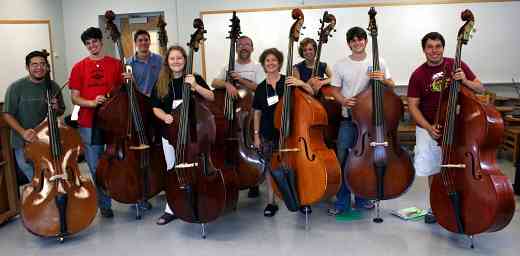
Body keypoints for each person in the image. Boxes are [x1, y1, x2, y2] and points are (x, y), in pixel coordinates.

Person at [407, 32, 484, 224]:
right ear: (424, 50)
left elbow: (480, 88)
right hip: (429, 128)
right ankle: (436, 207)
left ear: (443, 47)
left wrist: (464, 80)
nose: (434, 50)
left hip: (457, 127)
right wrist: (428, 127)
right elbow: (413, 106)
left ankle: (464, 203)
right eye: (430, 47)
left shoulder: (456, 65)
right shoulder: (418, 74)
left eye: (438, 46)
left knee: (460, 165)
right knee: (433, 169)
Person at [327, 27, 395, 216]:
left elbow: (391, 85)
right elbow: (334, 90)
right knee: (343, 161)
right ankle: (342, 202)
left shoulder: (378, 61)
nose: (357, 43)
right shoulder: (340, 64)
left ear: (366, 41)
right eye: (353, 41)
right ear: (349, 43)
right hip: (348, 119)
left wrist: (383, 78)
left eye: (361, 40)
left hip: (370, 121)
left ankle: (363, 198)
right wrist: (343, 101)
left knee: (365, 160)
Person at [151, 45, 215, 225]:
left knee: (196, 166)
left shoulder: (194, 78)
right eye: (172, 58)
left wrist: (195, 86)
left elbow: (211, 97)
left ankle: (202, 200)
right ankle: (171, 208)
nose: (176, 61)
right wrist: (165, 116)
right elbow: (155, 106)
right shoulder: (162, 81)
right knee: (172, 168)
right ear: (167, 62)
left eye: (179, 58)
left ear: (185, 60)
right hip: (170, 134)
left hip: (193, 134)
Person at [252, 48, 313, 217]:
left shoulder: (288, 82)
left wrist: (301, 83)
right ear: (264, 65)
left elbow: (311, 92)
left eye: (274, 60)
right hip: (268, 132)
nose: (271, 63)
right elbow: (256, 112)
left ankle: (302, 200)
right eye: (267, 61)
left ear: (279, 63)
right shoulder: (260, 88)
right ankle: (271, 202)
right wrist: (256, 135)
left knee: (297, 166)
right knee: (271, 168)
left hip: (290, 132)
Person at [68, 27, 123, 218]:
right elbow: (74, 98)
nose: (92, 46)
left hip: (114, 120)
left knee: (121, 159)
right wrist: (91, 102)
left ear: (101, 42)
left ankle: (130, 196)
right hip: (88, 122)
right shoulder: (78, 67)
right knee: (95, 165)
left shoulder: (116, 64)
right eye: (88, 43)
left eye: (95, 41)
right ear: (86, 46)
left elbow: (122, 91)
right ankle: (105, 204)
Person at [211, 35, 265, 198]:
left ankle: (254, 179)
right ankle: (231, 176)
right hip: (231, 115)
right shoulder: (228, 66)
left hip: (252, 115)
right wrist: (227, 84)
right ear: (236, 48)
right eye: (240, 44)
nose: (243, 47)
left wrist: (240, 80)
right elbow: (214, 83)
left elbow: (260, 88)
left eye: (247, 44)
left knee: (255, 145)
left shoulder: (257, 67)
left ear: (252, 48)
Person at [3, 50, 65, 182]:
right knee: (35, 179)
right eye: (34, 64)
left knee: (53, 176)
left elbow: (61, 111)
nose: (39, 68)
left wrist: (56, 108)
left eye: (43, 64)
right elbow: (7, 114)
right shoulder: (15, 88)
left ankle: (54, 200)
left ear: (47, 67)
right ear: (27, 67)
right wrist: (23, 132)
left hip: (47, 141)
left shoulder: (53, 86)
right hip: (23, 142)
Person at [127, 29, 163, 97]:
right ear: (135, 43)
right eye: (140, 40)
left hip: (157, 99)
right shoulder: (129, 63)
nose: (143, 42)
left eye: (146, 40)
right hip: (138, 100)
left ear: (150, 42)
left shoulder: (159, 59)